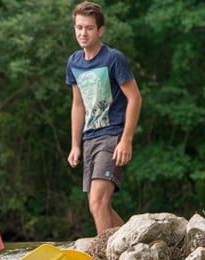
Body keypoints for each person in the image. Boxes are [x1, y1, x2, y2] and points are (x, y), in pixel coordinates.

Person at [66, 1, 142, 235]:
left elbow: (135, 98)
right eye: (79, 27)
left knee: (98, 201)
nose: (83, 33)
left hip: (112, 134)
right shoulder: (74, 62)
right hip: (90, 138)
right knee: (99, 206)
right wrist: (75, 145)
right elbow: (78, 105)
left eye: (89, 28)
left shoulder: (113, 58)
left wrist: (126, 139)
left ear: (100, 30)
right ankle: (133, 244)